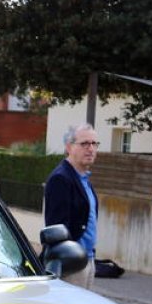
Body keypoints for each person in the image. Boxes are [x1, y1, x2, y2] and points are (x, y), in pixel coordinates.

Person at [43, 123, 100, 288]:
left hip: (87, 259)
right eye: (84, 144)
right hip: (71, 264)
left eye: (94, 144)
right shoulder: (61, 179)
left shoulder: (83, 179)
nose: (90, 149)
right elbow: (57, 229)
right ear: (69, 147)